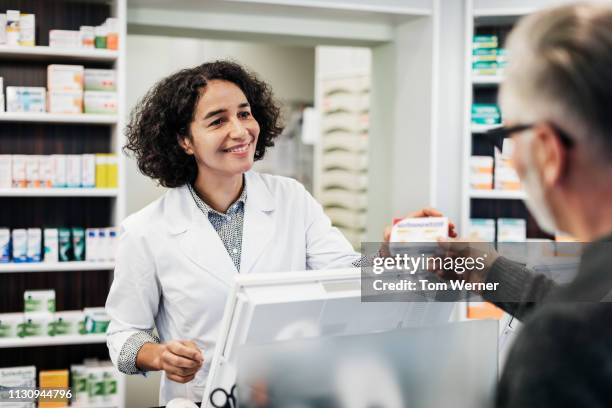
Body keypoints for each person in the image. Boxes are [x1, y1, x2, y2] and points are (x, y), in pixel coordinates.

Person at [105, 61, 365, 405]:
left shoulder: (291, 198)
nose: (241, 131)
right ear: (184, 140)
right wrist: (158, 355)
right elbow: (123, 334)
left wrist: (397, 253)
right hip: (203, 398)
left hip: (290, 394)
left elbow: (347, 277)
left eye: (244, 114)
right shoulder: (145, 230)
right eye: (218, 120)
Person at [430, 3, 612, 407]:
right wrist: (484, 267)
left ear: (548, 151)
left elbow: (579, 322)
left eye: (512, 133)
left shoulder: (562, 345)